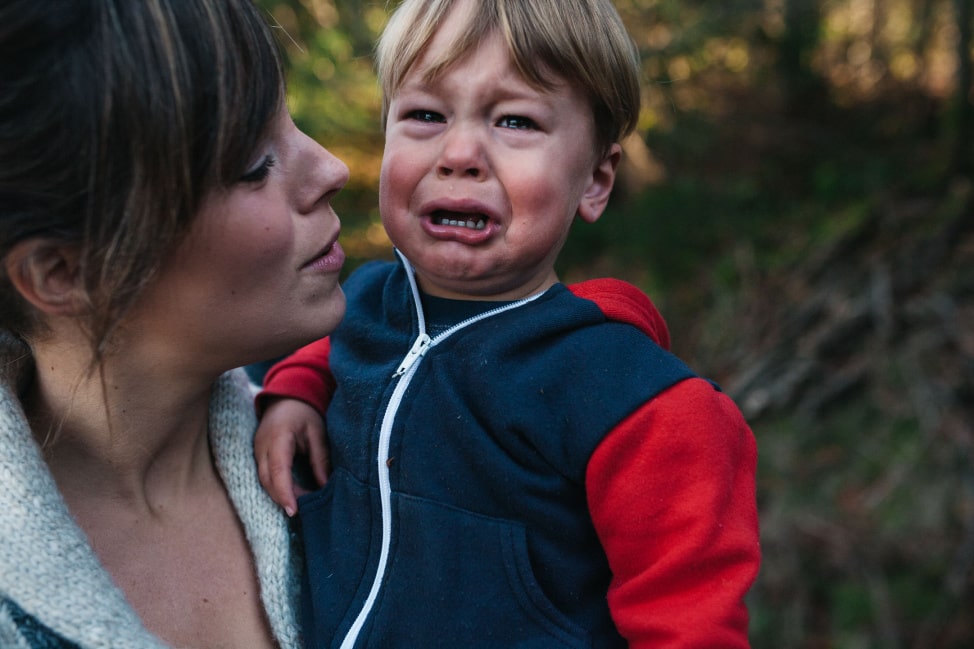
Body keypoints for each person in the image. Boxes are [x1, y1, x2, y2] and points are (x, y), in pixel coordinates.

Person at [254, 0, 761, 646]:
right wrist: (296, 389)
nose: (459, 152)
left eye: (516, 120)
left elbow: (690, 623)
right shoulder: (366, 300)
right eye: (425, 116)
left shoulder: (634, 404)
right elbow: (336, 346)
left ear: (596, 181)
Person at [0, 0, 349, 647]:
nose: (332, 168)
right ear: (63, 272)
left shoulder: (360, 451)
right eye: (253, 163)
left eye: (292, 121)